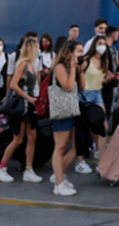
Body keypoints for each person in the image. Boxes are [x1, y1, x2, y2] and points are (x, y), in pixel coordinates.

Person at [0, 38, 43, 183]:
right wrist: (29, 97)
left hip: (30, 105)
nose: (38, 50)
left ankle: (28, 169)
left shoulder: (33, 64)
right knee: (18, 139)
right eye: (37, 47)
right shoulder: (23, 64)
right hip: (21, 105)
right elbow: (13, 85)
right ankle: (1, 168)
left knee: (32, 137)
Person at [49, 39, 83, 196]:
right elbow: (68, 87)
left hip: (72, 110)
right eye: (78, 51)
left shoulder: (71, 68)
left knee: (76, 147)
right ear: (69, 52)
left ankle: (59, 175)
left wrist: (79, 71)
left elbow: (82, 87)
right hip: (62, 111)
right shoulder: (60, 67)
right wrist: (74, 68)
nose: (81, 54)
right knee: (60, 147)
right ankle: (59, 183)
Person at [82, 36, 113, 157]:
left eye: (104, 44)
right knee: (89, 124)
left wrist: (110, 78)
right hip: (85, 94)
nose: (102, 46)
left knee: (104, 125)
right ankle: (93, 148)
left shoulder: (104, 61)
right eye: (100, 43)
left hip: (97, 93)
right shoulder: (86, 60)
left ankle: (100, 152)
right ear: (94, 45)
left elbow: (101, 78)